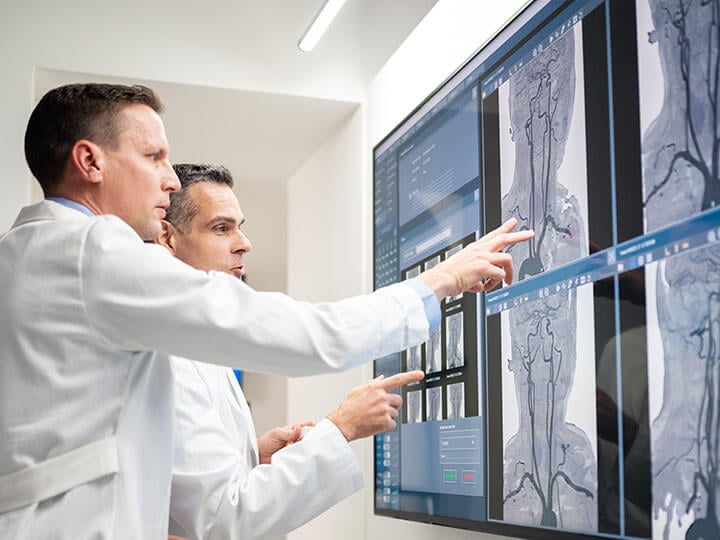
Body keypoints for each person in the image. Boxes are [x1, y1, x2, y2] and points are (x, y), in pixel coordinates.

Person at [0, 82, 533, 538]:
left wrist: (250, 454)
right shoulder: (91, 252)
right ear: (90, 161)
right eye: (153, 157)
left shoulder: (32, 254)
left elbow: (88, 435)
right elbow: (299, 334)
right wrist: (439, 282)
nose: (169, 178)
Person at [160, 162, 425, 538]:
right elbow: (226, 520)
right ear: (168, 239)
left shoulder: (195, 340)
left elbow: (185, 480)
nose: (244, 243)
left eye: (240, 226)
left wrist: (251, 454)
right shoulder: (169, 352)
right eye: (221, 228)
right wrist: (343, 426)